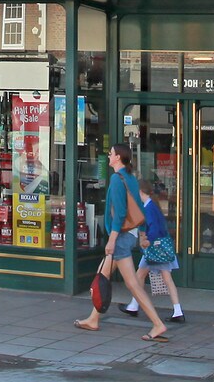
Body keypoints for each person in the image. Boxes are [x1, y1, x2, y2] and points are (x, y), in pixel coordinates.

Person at [77, 144, 168, 340]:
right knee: (102, 275)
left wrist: (112, 240)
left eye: (110, 153)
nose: (108, 156)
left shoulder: (116, 180)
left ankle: (158, 324)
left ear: (118, 157)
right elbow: (139, 209)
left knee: (132, 284)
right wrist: (142, 234)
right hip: (130, 234)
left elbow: (119, 214)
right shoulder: (131, 179)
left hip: (121, 237)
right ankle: (93, 319)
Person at [124, 179, 185, 324]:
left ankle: (135, 305)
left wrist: (147, 240)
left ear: (140, 192)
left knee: (141, 275)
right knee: (151, 276)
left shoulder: (149, 207)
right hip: (160, 247)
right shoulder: (151, 205)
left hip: (155, 248)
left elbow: (154, 228)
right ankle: (176, 310)